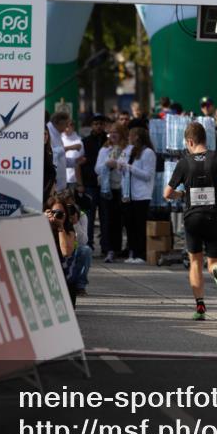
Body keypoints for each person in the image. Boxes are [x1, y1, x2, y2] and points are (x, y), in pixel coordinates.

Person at [165, 122, 217, 320]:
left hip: (192, 218)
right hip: (214, 216)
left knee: (195, 261)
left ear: (190, 141)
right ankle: (216, 272)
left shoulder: (184, 162)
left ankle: (200, 307)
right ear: (206, 139)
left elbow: (167, 193)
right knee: (214, 260)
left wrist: (181, 195)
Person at [117, 126, 156, 264]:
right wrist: (120, 166)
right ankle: (132, 253)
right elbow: (121, 165)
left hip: (142, 195)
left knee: (140, 226)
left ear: (137, 137)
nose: (128, 137)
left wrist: (129, 168)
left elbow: (147, 175)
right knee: (130, 226)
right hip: (128, 194)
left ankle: (141, 254)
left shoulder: (148, 153)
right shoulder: (130, 151)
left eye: (131, 135)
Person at [96, 124, 129, 263]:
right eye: (111, 133)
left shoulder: (126, 149)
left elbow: (127, 165)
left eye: (116, 132)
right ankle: (108, 249)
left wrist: (117, 164)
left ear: (121, 134)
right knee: (107, 220)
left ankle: (117, 248)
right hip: (107, 189)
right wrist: (106, 164)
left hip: (121, 189)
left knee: (119, 221)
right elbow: (97, 169)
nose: (113, 135)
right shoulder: (104, 149)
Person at [79, 114, 108, 252]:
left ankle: (105, 245)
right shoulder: (85, 141)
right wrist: (80, 184)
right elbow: (78, 164)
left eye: (101, 124)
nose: (98, 126)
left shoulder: (108, 141)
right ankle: (89, 244)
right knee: (89, 217)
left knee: (105, 216)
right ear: (92, 126)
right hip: (89, 183)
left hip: (105, 184)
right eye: (96, 124)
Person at [46, 195, 80, 304]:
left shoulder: (69, 230)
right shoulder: (41, 226)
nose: (58, 215)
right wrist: (43, 221)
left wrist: (60, 227)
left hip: (63, 273)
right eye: (54, 211)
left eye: (61, 213)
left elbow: (66, 251)